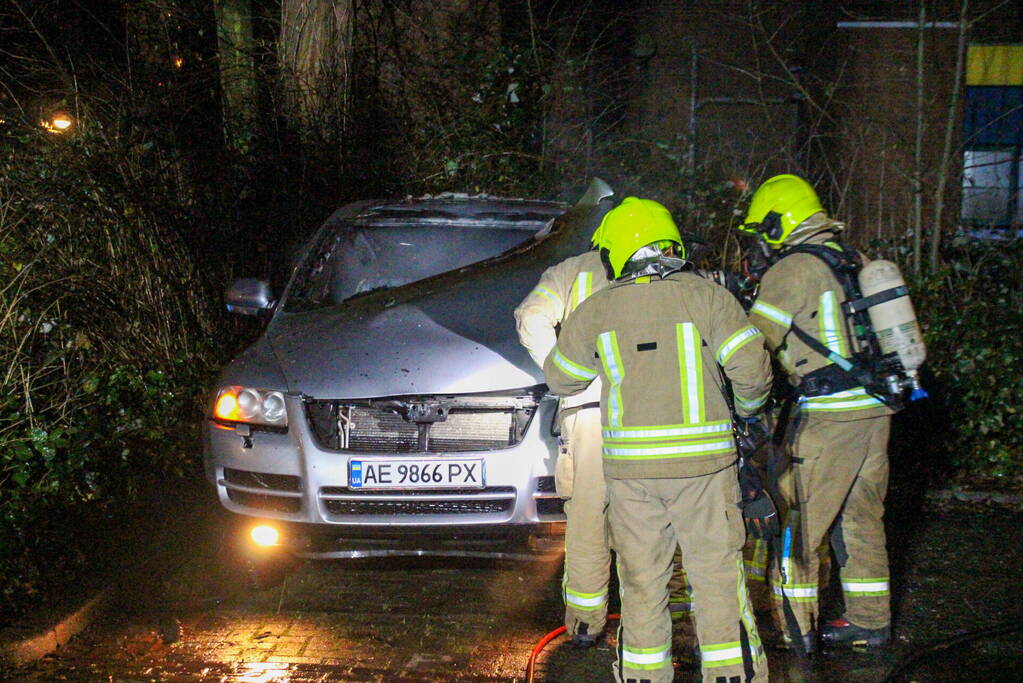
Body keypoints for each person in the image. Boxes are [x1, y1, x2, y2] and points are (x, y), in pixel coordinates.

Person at [544, 197, 773, 683]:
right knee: (715, 577)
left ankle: (645, 676)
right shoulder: (707, 296)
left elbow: (561, 378)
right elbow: (752, 370)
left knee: (642, 580)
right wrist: (749, 415)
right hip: (707, 472)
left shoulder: (596, 309)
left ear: (617, 253)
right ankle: (731, 676)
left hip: (631, 478)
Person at [739, 173, 895, 652]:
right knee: (861, 519)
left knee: (797, 526)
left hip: (830, 418)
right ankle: (871, 621)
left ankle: (796, 629)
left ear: (776, 224)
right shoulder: (855, 260)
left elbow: (752, 347)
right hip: (876, 411)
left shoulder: (792, 271)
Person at [515, 242, 611, 647]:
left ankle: (587, 624)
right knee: (651, 514)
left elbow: (530, 316)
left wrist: (564, 376)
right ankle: (667, 611)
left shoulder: (573, 269)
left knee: (589, 517)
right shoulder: (667, 275)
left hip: (589, 408)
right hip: (652, 406)